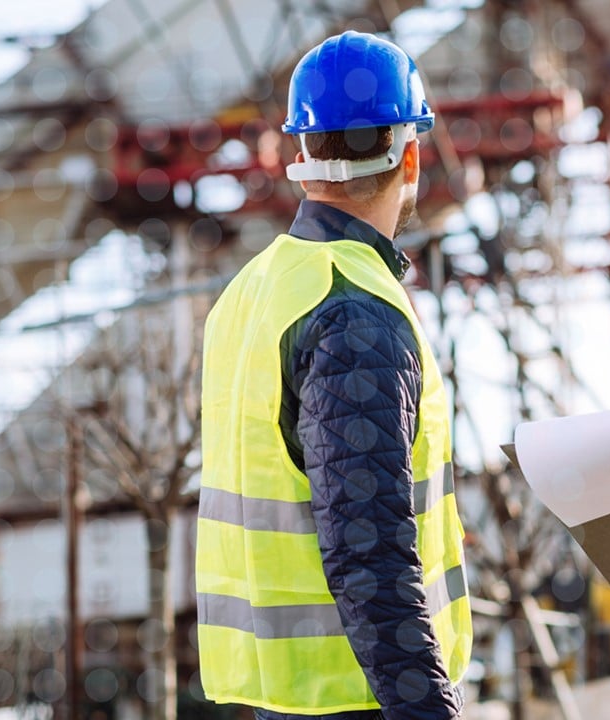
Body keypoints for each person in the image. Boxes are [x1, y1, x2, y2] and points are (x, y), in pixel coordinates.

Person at [195, 31, 471, 720]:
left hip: (281, 694)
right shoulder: (352, 313)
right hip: (357, 695)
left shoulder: (252, 292)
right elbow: (368, 553)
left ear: (301, 155)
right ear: (411, 156)